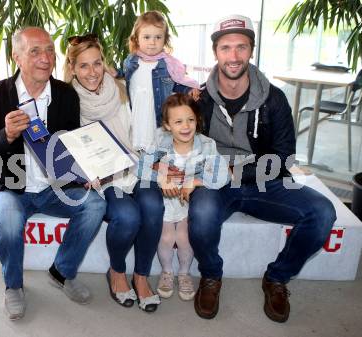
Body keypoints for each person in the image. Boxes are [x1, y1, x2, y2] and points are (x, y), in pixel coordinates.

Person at [188, 14, 337, 322]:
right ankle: (211, 275)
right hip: (216, 182)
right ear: (215, 53)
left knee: (323, 212)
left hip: (264, 178)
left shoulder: (274, 99)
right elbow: (180, 137)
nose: (233, 56)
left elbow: (284, 158)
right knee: (201, 214)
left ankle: (278, 278)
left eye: (241, 47)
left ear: (251, 51)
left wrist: (236, 173)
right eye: (226, 47)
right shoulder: (199, 99)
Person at [0, 27, 106, 320]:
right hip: (11, 187)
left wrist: (87, 170)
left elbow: (72, 145)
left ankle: (61, 272)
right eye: (35, 51)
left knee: (95, 204)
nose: (45, 58)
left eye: (50, 50)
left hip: (55, 187)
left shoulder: (66, 95)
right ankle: (13, 285)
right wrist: (4, 135)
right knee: (8, 215)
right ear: (16, 56)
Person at [63, 34, 164, 312]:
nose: (92, 72)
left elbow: (138, 131)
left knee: (153, 206)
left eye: (97, 63)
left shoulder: (120, 88)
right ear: (72, 68)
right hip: (102, 178)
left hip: (133, 166)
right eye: (83, 66)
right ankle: (117, 272)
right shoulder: (67, 101)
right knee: (128, 215)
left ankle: (141, 276)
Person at [139, 93, 229, 301]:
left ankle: (184, 273)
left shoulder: (206, 144)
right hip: (167, 200)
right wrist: (160, 177)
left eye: (190, 120)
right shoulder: (161, 141)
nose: (186, 126)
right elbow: (140, 167)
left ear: (197, 119)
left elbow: (223, 174)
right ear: (168, 125)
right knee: (167, 237)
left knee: (185, 238)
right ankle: (167, 271)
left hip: (189, 200)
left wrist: (196, 182)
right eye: (178, 121)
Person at [123, 10, 200, 152]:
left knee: (159, 150)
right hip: (137, 116)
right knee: (138, 149)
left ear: (165, 40)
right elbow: (123, 76)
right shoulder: (130, 61)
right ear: (136, 39)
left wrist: (189, 90)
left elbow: (177, 83)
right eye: (146, 37)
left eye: (158, 37)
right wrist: (113, 72)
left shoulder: (168, 64)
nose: (152, 42)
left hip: (156, 118)